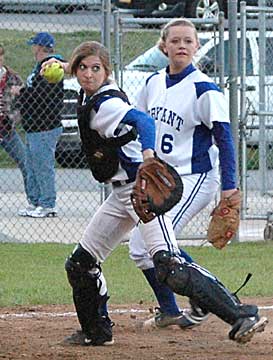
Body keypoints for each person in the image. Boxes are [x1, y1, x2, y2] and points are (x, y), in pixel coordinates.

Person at [41, 40, 267, 347]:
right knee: (81, 263)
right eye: (83, 68)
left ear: (107, 73)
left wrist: (149, 154)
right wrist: (65, 65)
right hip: (120, 196)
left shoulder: (106, 105)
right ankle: (96, 332)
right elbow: (82, 70)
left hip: (141, 194)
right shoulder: (91, 91)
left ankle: (241, 314)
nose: (88, 75)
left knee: (169, 265)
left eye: (96, 69)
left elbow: (143, 120)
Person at [126, 17, 259, 329]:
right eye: (175, 40)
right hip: (162, 181)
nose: (181, 46)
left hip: (194, 178)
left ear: (197, 47)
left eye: (188, 41)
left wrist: (230, 186)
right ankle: (181, 306)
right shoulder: (152, 83)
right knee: (144, 247)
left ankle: (213, 300)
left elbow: (224, 140)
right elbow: (137, 123)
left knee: (145, 245)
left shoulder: (204, 89)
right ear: (164, 46)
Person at [17, 32, 64, 218]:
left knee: (43, 166)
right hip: (33, 126)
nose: (32, 49)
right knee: (31, 165)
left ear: (40, 47)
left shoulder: (51, 66)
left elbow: (43, 96)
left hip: (45, 125)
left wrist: (22, 93)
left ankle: (47, 204)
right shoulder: (40, 67)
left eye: (34, 46)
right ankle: (35, 202)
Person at [0, 45, 29, 198]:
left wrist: (12, 118)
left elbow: (24, 104)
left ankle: (33, 199)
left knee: (24, 161)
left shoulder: (13, 78)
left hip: (7, 129)